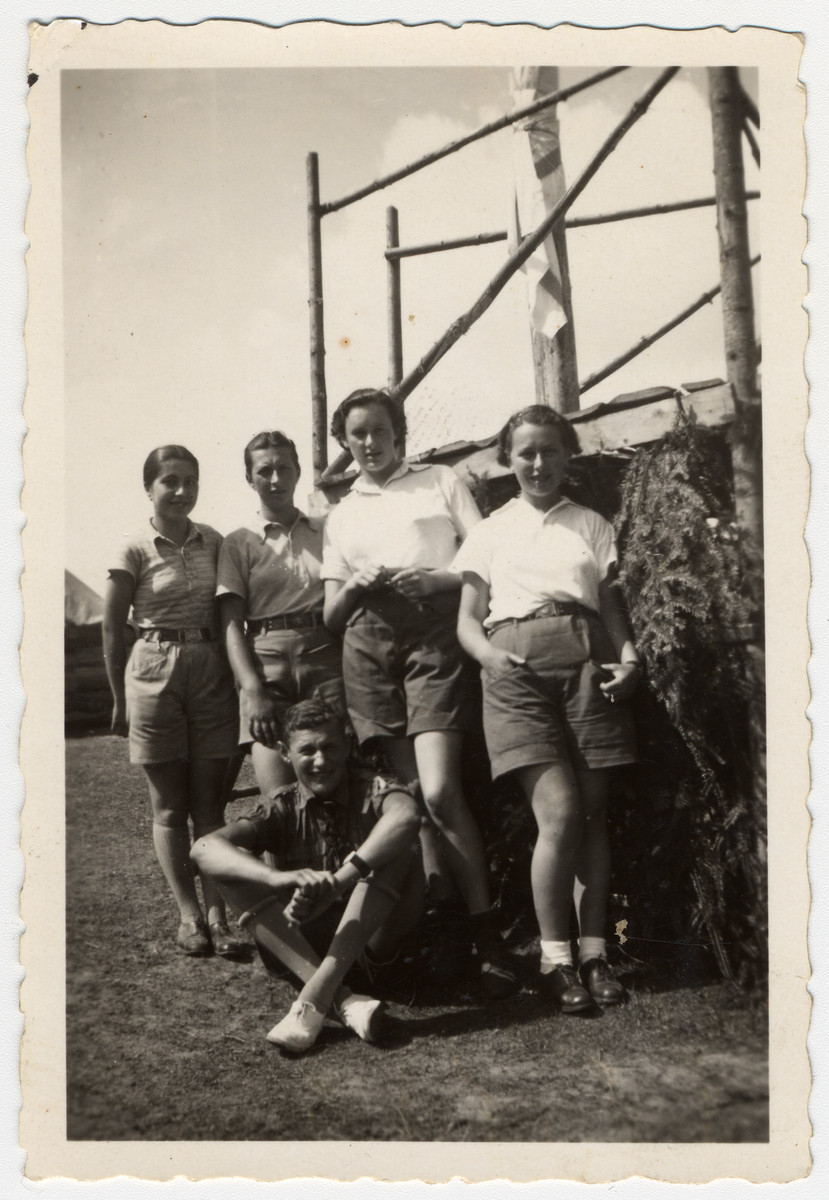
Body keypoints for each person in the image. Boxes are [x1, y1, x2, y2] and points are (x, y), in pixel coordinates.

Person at [321, 387, 516, 999]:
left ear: (398, 432)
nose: (370, 443)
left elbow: (489, 557)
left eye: (380, 430)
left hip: (433, 634)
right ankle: (447, 936)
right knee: (413, 802)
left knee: (439, 790)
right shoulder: (343, 510)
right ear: (346, 444)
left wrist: (438, 577)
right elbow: (330, 614)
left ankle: (489, 939)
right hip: (368, 645)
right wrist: (354, 583)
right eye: (358, 435)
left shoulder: (440, 480)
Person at [455, 405, 641, 1012]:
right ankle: (554, 960)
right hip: (514, 668)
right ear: (508, 461)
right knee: (557, 811)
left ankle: (595, 953)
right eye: (525, 453)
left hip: (588, 660)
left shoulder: (591, 524)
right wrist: (488, 657)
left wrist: (631, 660)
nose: (538, 463)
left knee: (592, 812)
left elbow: (612, 608)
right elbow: (466, 621)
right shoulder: (489, 529)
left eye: (549, 451)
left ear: (567, 456)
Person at [191, 699, 423, 1054]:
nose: (320, 760)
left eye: (330, 747)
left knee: (397, 848)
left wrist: (341, 880)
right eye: (307, 750)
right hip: (303, 949)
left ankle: (314, 999)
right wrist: (275, 880)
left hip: (374, 948)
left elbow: (407, 816)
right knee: (229, 871)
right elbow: (203, 848)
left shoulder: (370, 787)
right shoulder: (282, 805)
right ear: (285, 753)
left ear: (347, 745)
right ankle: (344, 1000)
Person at [102, 445, 242, 958]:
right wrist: (119, 698)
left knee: (210, 804)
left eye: (191, 481)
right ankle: (188, 917)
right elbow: (112, 627)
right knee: (169, 806)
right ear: (150, 488)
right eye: (170, 482)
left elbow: (230, 612)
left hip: (210, 670)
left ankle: (218, 916)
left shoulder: (216, 542)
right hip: (152, 670)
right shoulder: (133, 548)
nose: (181, 491)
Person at [217, 431, 345, 798]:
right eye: (264, 471)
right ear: (249, 478)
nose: (275, 480)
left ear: (298, 471)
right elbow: (230, 622)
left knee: (332, 779)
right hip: (266, 663)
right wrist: (252, 689)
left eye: (284, 469)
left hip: (324, 655)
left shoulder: (326, 530)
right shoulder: (239, 542)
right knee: (278, 799)